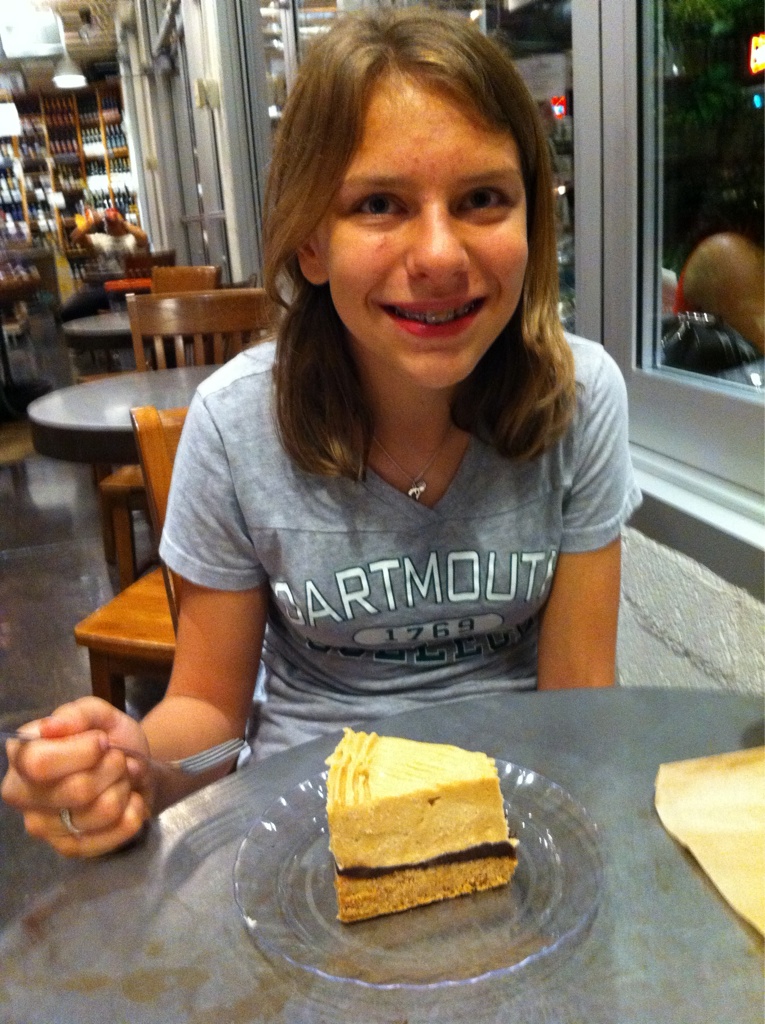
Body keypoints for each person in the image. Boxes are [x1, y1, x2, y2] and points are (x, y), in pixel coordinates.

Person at [2, 7, 641, 857]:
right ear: (310, 242)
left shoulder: (580, 396)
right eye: (379, 204)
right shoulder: (236, 426)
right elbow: (214, 723)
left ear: (532, 220)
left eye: (483, 198)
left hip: (515, 816)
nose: (442, 254)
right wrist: (141, 768)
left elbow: (579, 700)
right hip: (307, 825)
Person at [60, 207, 149, 322]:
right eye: (105, 221)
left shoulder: (131, 239)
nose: (106, 222)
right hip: (103, 287)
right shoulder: (100, 239)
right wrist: (90, 221)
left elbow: (143, 237)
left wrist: (122, 221)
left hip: (128, 287)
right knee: (67, 312)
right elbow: (75, 237)